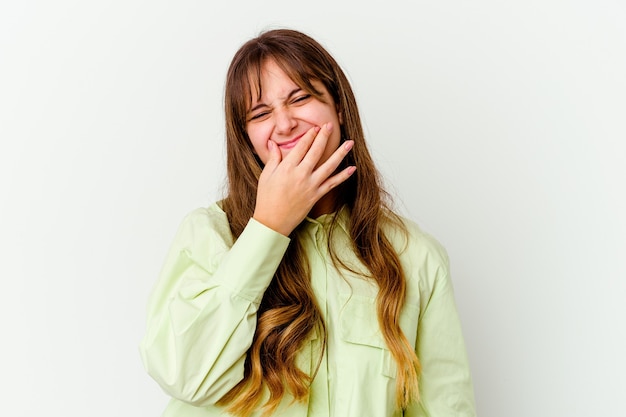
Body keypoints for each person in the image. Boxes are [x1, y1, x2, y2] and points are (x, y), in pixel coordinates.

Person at [140, 28, 476, 417]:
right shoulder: (207, 235)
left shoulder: (416, 256)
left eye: (300, 98)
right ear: (247, 137)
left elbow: (445, 408)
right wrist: (268, 228)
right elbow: (182, 375)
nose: (284, 125)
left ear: (339, 109)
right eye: (261, 113)